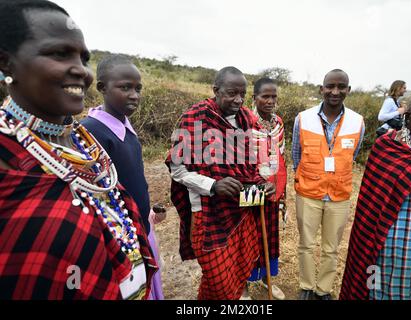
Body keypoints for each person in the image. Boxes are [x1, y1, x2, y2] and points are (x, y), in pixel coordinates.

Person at [0, 0, 157, 299]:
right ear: (6, 63)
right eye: (60, 54)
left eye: (83, 58)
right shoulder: (7, 156)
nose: (81, 71)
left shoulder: (86, 143)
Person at [166, 66, 275, 300]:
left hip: (243, 209)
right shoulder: (195, 118)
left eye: (242, 94)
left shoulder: (247, 119)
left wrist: (262, 183)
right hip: (208, 214)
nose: (238, 100)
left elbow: (253, 165)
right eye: (231, 93)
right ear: (215, 90)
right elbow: (177, 170)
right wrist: (213, 185)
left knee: (238, 273)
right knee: (219, 283)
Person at [340, 93, 411, 300]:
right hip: (387, 241)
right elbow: (371, 203)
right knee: (379, 287)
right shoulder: (387, 147)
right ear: (407, 117)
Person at [80, 54, 164, 300]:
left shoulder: (125, 124)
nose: (134, 95)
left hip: (140, 224)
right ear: (102, 88)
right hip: (122, 235)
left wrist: (147, 210)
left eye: (138, 88)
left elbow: (131, 177)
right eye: (125, 88)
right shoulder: (92, 131)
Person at [292, 69, 365, 300]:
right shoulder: (303, 118)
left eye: (341, 87)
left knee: (331, 248)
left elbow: (354, 153)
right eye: (330, 86)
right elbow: (296, 154)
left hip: (339, 195)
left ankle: (323, 289)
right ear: (321, 89)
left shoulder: (357, 121)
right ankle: (306, 285)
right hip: (308, 192)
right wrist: (308, 177)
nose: (335, 91)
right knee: (306, 244)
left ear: (348, 90)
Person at [241, 78, 287, 300]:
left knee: (270, 234)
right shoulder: (245, 121)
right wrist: (255, 181)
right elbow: (239, 159)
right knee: (250, 235)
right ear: (254, 98)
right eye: (265, 97)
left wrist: (281, 191)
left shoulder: (278, 122)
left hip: (273, 189)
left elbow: (282, 156)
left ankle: (268, 278)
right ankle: (244, 287)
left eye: (273, 97)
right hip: (250, 186)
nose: (270, 101)